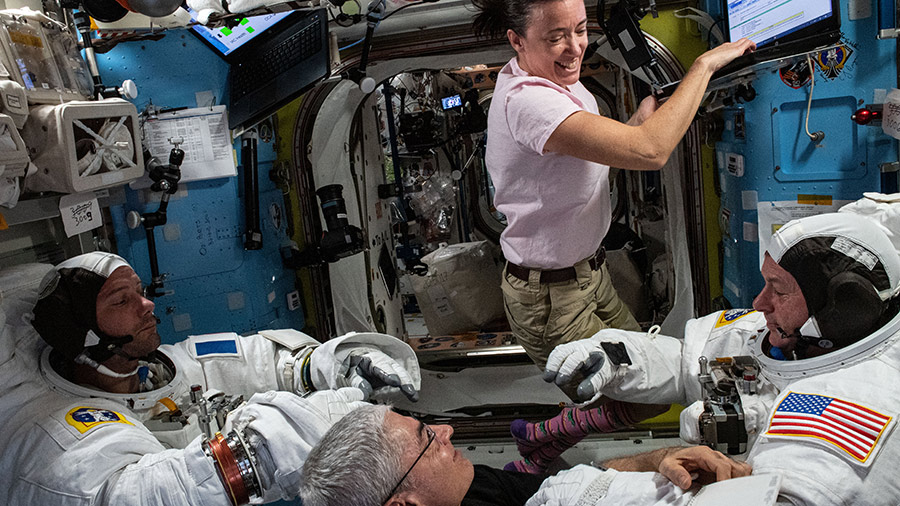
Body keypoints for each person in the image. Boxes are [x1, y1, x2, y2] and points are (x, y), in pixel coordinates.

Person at [470, 0, 755, 474]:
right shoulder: (528, 100)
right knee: (652, 395)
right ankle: (541, 445)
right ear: (517, 40)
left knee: (654, 382)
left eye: (580, 29)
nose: (574, 47)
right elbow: (653, 152)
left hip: (588, 277)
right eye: (555, 36)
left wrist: (631, 128)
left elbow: (579, 156)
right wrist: (703, 66)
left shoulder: (553, 79)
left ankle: (540, 439)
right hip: (550, 298)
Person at [535, 208, 900, 505]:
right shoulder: (787, 335)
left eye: (777, 290)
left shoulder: (861, 404)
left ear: (840, 308)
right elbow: (685, 362)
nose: (759, 304)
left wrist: (592, 492)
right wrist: (613, 355)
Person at [0, 251, 421, 505]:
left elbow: (254, 359)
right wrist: (273, 443)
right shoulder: (57, 435)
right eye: (122, 300)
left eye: (140, 290)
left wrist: (332, 363)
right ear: (83, 333)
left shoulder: (163, 368)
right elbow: (138, 497)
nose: (147, 304)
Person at [298, 404, 752, 506]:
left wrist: (662, 459)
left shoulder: (469, 489)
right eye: (426, 439)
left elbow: (595, 474)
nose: (447, 430)